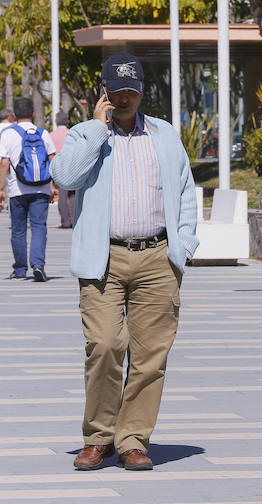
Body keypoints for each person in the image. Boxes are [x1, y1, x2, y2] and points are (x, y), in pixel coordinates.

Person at [49, 53, 199, 471]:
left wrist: (184, 244)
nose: (126, 96)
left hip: (157, 257)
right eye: (117, 89)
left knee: (150, 355)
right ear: (105, 91)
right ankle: (98, 437)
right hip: (104, 259)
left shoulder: (165, 135)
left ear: (142, 90)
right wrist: (99, 128)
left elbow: (187, 189)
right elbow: (65, 177)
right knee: (104, 345)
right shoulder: (85, 133)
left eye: (132, 89)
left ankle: (132, 439)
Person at [0, 97, 58, 281]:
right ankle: (38, 265)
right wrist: (54, 186)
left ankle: (19, 269)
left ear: (14, 115)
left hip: (16, 190)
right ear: (33, 113)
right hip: (41, 188)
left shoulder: (8, 134)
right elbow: (53, 159)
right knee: (39, 227)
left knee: (18, 230)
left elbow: (4, 164)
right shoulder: (43, 133)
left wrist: (1, 189)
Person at [49, 110, 76, 228]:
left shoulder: (51, 135)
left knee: (62, 195)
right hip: (73, 167)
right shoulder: (73, 133)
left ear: (56, 121)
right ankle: (74, 221)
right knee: (73, 195)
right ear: (68, 121)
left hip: (59, 168)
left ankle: (65, 221)